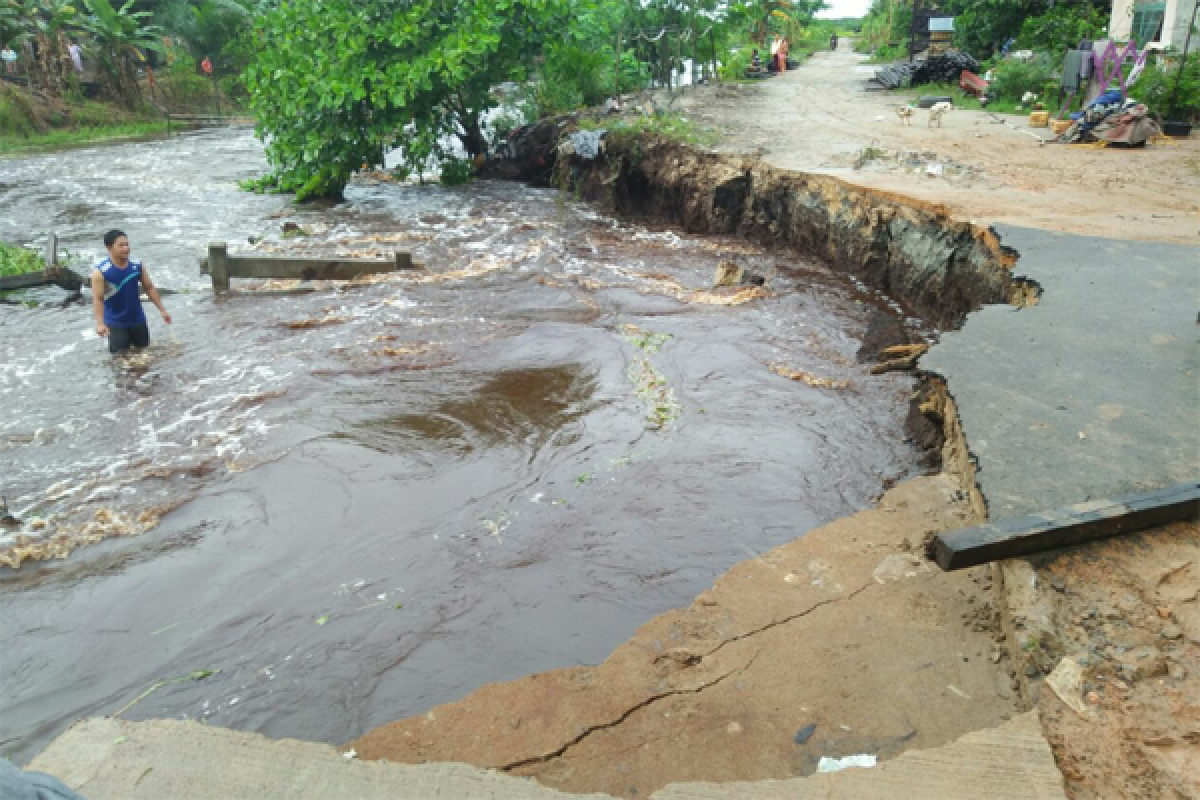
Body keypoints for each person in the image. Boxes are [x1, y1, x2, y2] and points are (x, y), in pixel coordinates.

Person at [91, 230, 171, 354]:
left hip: (138, 320)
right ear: (109, 248)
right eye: (121, 245)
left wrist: (162, 310)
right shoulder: (101, 272)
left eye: (127, 244)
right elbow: (98, 299)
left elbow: (149, 287)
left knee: (145, 355)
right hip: (116, 323)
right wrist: (100, 324)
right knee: (120, 361)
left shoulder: (136, 265)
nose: (126, 248)